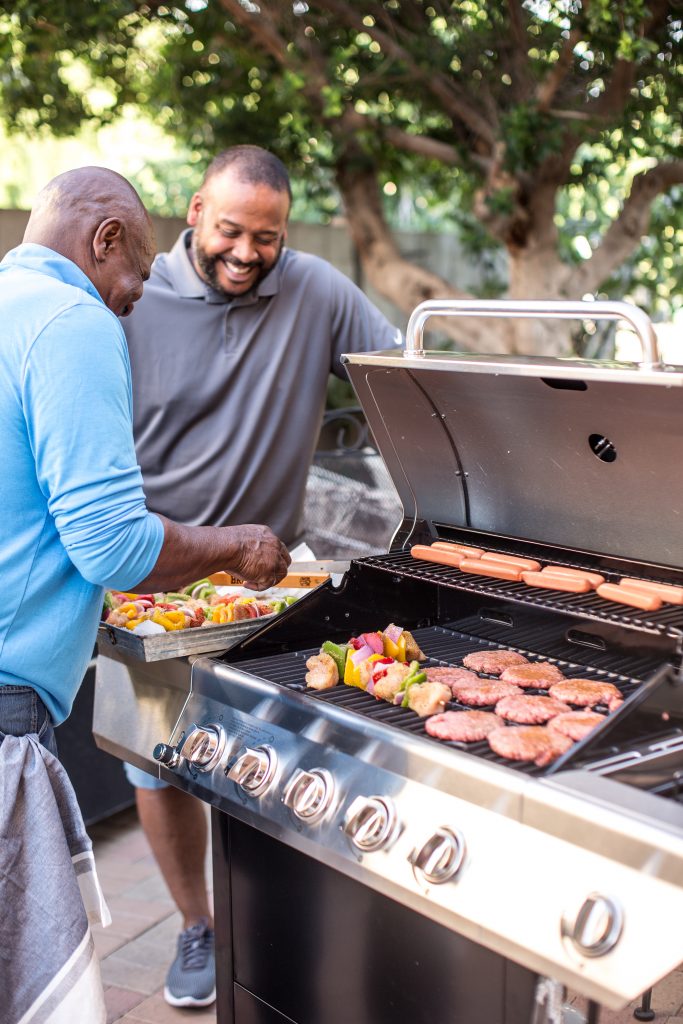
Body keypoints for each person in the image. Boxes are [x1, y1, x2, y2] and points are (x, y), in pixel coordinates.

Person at [118, 145, 401, 1008]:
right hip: (153, 583)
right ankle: (199, 926)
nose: (246, 253)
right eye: (232, 231)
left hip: (273, 585)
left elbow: (399, 376)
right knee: (155, 762)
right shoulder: (131, 301)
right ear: (196, 211)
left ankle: (286, 926)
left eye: (266, 238)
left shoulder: (314, 288)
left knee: (277, 753)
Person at [0, 164, 291, 769]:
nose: (134, 301)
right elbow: (114, 548)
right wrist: (240, 545)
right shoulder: (74, 320)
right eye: (138, 273)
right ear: (105, 239)